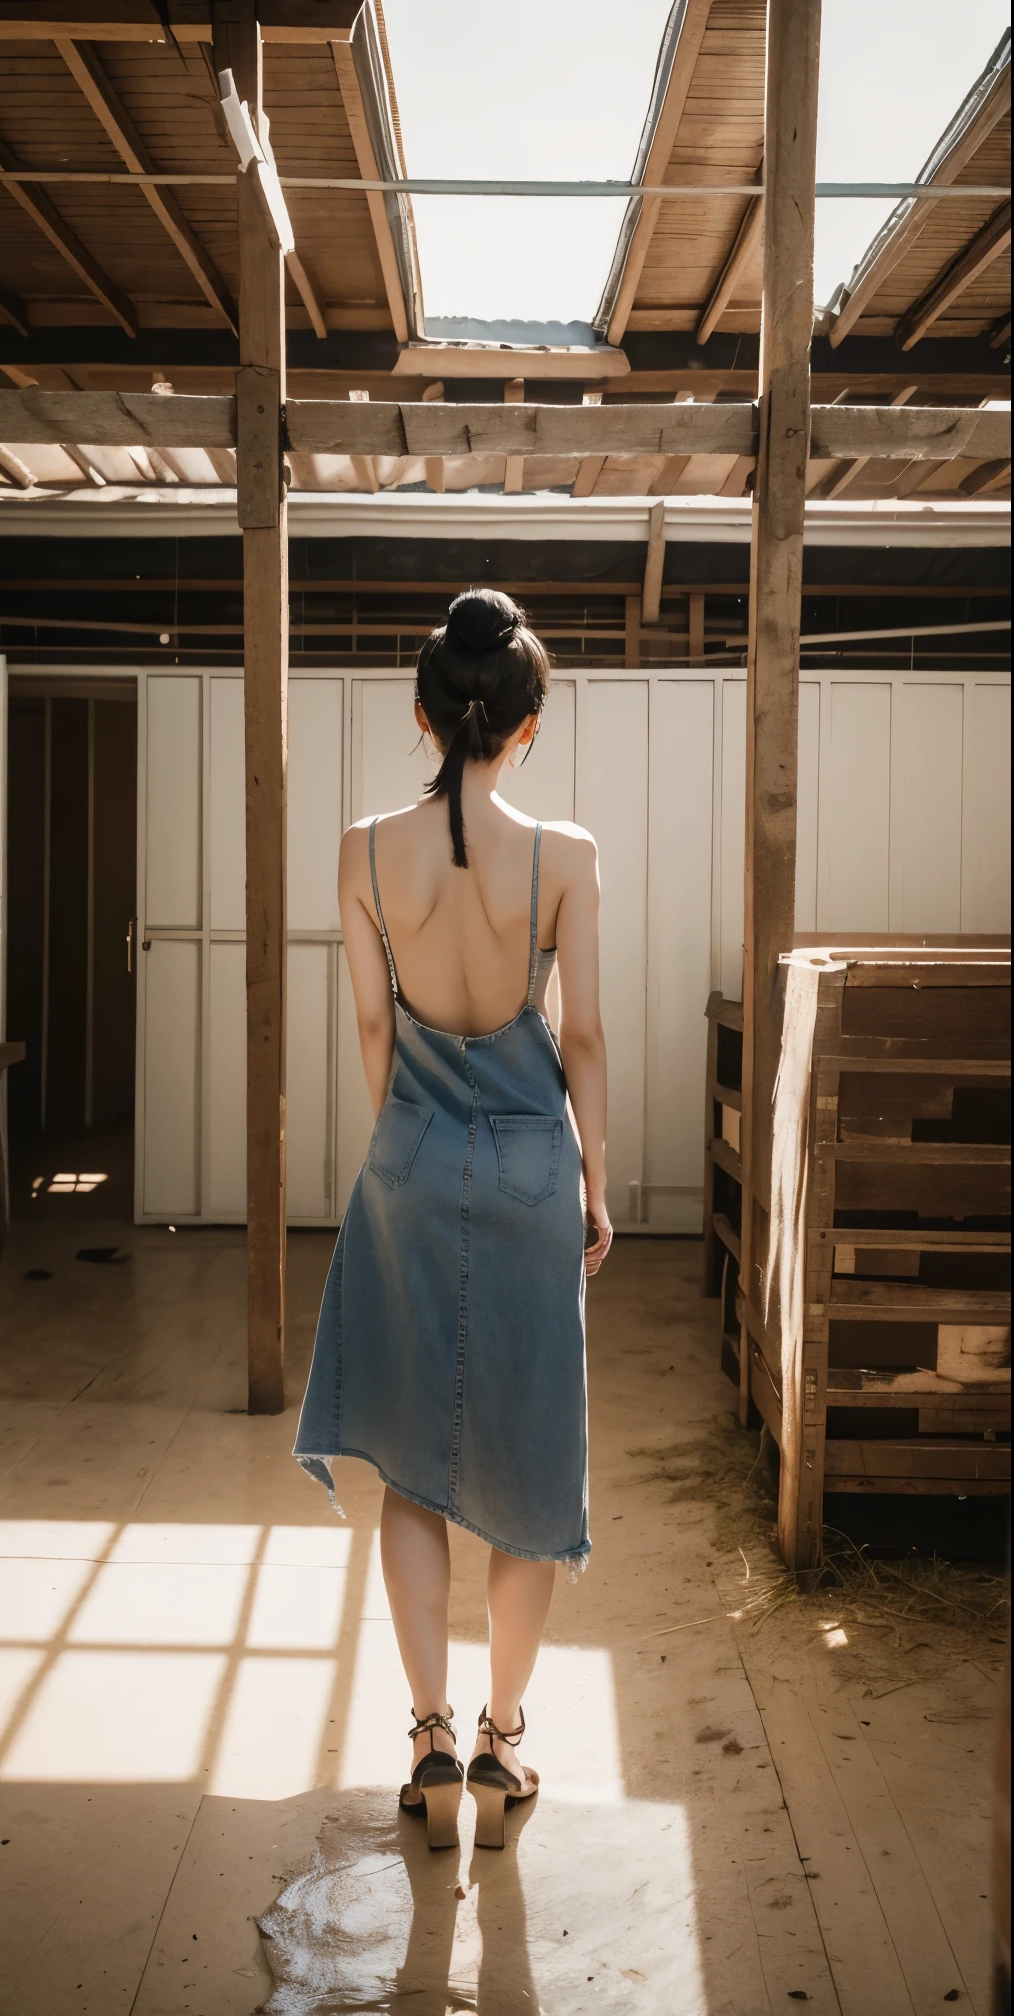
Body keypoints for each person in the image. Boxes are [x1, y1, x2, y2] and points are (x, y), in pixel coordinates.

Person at [293, 587, 612, 1851]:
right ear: (524, 724)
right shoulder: (567, 855)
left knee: (415, 1462)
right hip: (536, 1165)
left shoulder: (365, 847)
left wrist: (406, 1145)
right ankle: (501, 1741)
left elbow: (376, 1027)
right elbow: (577, 1031)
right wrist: (597, 1177)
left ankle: (425, 1735)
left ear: (425, 716)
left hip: (409, 1164)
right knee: (529, 1467)